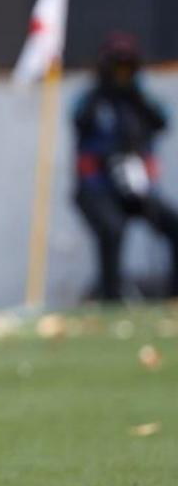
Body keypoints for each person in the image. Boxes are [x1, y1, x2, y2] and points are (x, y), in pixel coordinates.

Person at [73, 32, 178, 301]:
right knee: (112, 227)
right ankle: (111, 297)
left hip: (136, 187)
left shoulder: (139, 98)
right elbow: (78, 119)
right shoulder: (93, 99)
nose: (121, 71)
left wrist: (135, 95)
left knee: (172, 223)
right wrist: (102, 88)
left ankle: (173, 295)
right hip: (98, 188)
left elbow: (162, 120)